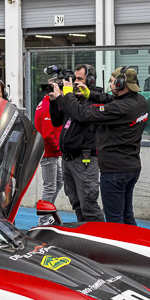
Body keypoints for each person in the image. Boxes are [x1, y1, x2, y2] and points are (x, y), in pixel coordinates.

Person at [51, 67, 149, 226]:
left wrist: (67, 95)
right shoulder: (139, 101)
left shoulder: (119, 108)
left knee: (114, 220)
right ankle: (131, 247)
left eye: (112, 82)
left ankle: (117, 250)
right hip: (129, 166)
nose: (110, 86)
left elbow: (84, 115)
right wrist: (90, 94)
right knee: (126, 215)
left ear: (120, 83)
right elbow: (111, 100)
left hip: (115, 170)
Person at [48, 65, 105, 223]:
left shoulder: (95, 98)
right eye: (74, 79)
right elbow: (57, 120)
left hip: (84, 160)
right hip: (68, 159)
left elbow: (81, 115)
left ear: (91, 81)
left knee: (89, 205)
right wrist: (54, 101)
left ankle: (99, 239)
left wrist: (64, 97)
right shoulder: (73, 97)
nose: (74, 82)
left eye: (79, 79)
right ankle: (84, 237)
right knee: (77, 203)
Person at [34, 89, 63, 222]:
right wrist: (59, 149)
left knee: (58, 181)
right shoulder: (47, 107)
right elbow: (47, 134)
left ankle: (48, 212)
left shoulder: (44, 102)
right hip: (49, 153)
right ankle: (43, 219)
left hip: (51, 152)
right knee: (50, 186)